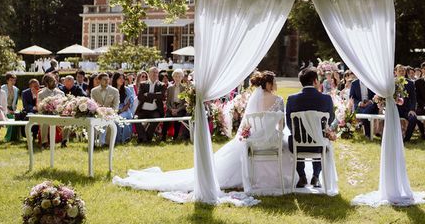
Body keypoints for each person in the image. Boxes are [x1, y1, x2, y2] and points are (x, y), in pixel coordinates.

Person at [114, 70, 297, 195]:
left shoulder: (255, 100)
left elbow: (247, 122)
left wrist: (247, 135)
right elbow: (281, 125)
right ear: (270, 83)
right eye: (275, 82)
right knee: (287, 148)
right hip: (271, 140)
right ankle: (281, 180)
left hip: (253, 140)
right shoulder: (279, 100)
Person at [286, 67, 335, 188]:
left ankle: (302, 176)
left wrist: (300, 134)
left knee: (293, 137)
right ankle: (316, 176)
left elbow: (289, 124)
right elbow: (331, 119)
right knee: (320, 138)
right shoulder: (326, 99)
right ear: (315, 81)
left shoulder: (292, 99)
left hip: (298, 144)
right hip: (319, 145)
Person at [135, 67, 166, 143]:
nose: (155, 74)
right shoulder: (143, 84)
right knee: (135, 119)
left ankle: (145, 138)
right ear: (149, 73)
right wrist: (154, 97)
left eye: (156, 72)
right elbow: (140, 97)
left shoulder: (161, 85)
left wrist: (148, 94)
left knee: (155, 120)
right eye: (153, 72)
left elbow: (162, 96)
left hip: (155, 111)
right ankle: (145, 137)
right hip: (142, 110)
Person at [397, 64, 425, 142]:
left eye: (403, 71)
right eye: (399, 71)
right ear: (396, 72)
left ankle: (406, 139)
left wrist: (412, 109)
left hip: (406, 109)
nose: (401, 72)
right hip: (394, 109)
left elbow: (413, 98)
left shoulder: (410, 83)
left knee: (413, 118)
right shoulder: (392, 82)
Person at [37, 74, 65, 148]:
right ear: (46, 83)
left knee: (67, 121)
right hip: (46, 115)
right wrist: (46, 108)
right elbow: (39, 108)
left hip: (59, 115)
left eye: (55, 81)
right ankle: (44, 142)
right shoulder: (41, 94)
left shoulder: (61, 93)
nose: (54, 83)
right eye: (51, 81)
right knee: (44, 122)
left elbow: (64, 106)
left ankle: (64, 141)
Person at [162, 69, 188, 141]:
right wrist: (171, 109)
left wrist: (178, 109)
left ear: (182, 77)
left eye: (179, 76)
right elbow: (167, 102)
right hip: (171, 108)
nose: (177, 78)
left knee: (178, 119)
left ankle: (175, 137)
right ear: (173, 77)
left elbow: (186, 102)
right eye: (176, 76)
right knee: (166, 119)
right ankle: (163, 137)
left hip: (181, 108)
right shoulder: (170, 88)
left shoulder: (185, 88)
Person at [113, 72, 134, 143]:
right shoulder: (111, 90)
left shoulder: (126, 90)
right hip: (113, 110)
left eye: (123, 78)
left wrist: (121, 110)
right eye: (119, 78)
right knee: (116, 120)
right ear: (115, 79)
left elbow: (128, 104)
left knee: (119, 118)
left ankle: (124, 139)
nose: (122, 80)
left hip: (125, 111)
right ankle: (117, 140)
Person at [2, 72, 21, 142]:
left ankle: (15, 138)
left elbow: (15, 102)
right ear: (7, 81)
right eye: (11, 80)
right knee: (12, 118)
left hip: (12, 109)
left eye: (14, 80)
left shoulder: (16, 89)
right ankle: (8, 138)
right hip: (3, 109)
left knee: (18, 117)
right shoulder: (2, 88)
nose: (13, 82)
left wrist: (14, 110)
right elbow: (1, 102)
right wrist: (8, 111)